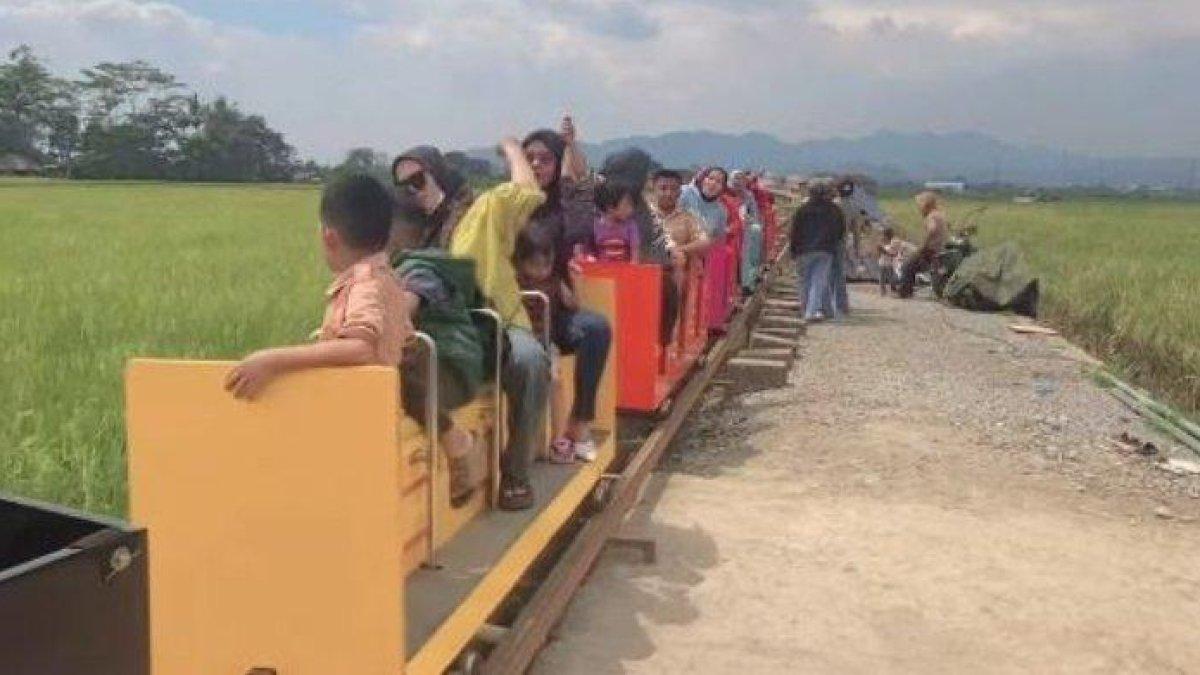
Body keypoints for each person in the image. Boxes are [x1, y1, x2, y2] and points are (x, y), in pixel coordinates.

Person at [393, 141, 550, 511]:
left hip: (494, 320)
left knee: (529, 361)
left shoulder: (483, 210)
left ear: (440, 174)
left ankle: (515, 474)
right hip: (441, 328)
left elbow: (528, 191)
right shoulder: (409, 234)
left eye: (418, 180)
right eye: (405, 187)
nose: (414, 192)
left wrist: (512, 148)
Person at [225, 174, 408, 398]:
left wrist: (272, 360)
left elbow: (360, 348)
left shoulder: (364, 284)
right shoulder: (388, 278)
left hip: (363, 407)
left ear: (329, 238)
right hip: (383, 402)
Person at [522, 119, 611, 462]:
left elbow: (582, 188)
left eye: (545, 159)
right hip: (518, 309)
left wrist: (572, 145)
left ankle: (580, 421)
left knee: (596, 328)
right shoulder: (504, 207)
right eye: (529, 157)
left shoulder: (563, 211)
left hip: (551, 307)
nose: (535, 165)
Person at [389, 196, 488, 508]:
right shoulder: (394, 268)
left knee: (409, 355)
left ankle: (456, 441)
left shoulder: (419, 268)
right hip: (444, 365)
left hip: (451, 369)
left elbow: (405, 306)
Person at [512, 227, 579, 464]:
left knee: (557, 380)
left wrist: (575, 280)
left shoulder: (554, 281)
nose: (542, 271)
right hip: (520, 340)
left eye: (546, 265)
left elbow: (572, 303)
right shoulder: (512, 282)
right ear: (520, 262)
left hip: (545, 341)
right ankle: (526, 441)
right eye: (535, 265)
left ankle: (559, 438)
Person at [680, 167, 732, 331]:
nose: (713, 184)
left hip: (698, 259)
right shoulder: (685, 194)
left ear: (723, 188)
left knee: (691, 299)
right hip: (674, 252)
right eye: (710, 178)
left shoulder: (721, 212)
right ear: (702, 179)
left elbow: (717, 239)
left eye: (718, 182)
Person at [789, 179, 846, 322]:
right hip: (825, 250)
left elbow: (794, 231)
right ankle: (811, 312)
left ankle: (806, 309)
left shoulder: (802, 209)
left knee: (804, 281)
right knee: (818, 281)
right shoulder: (834, 210)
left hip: (803, 250)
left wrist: (793, 250)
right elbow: (840, 231)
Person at [897, 190, 949, 299]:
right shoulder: (939, 214)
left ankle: (904, 292)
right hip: (939, 249)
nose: (919, 208)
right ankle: (908, 290)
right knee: (912, 263)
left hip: (930, 251)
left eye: (920, 205)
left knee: (907, 265)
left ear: (926, 205)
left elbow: (932, 229)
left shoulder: (931, 216)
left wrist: (923, 245)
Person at [730, 170, 765, 294]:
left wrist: (750, 220)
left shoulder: (748, 195)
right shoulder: (725, 194)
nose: (738, 182)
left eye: (741, 179)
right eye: (736, 179)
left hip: (745, 229)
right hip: (730, 230)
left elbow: (754, 214)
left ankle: (747, 282)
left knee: (747, 256)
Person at [592, 180, 641, 263]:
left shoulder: (630, 226)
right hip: (602, 272)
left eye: (631, 205)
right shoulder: (595, 226)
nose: (631, 210)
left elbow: (635, 253)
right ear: (610, 207)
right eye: (626, 205)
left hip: (624, 272)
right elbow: (590, 252)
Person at [877, 227, 915, 296]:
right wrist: (880, 251)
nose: (884, 236)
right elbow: (880, 253)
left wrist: (884, 251)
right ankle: (883, 291)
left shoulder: (894, 241)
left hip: (889, 263)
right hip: (882, 262)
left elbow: (894, 253)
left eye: (885, 234)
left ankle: (895, 289)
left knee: (891, 278)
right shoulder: (883, 242)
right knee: (881, 278)